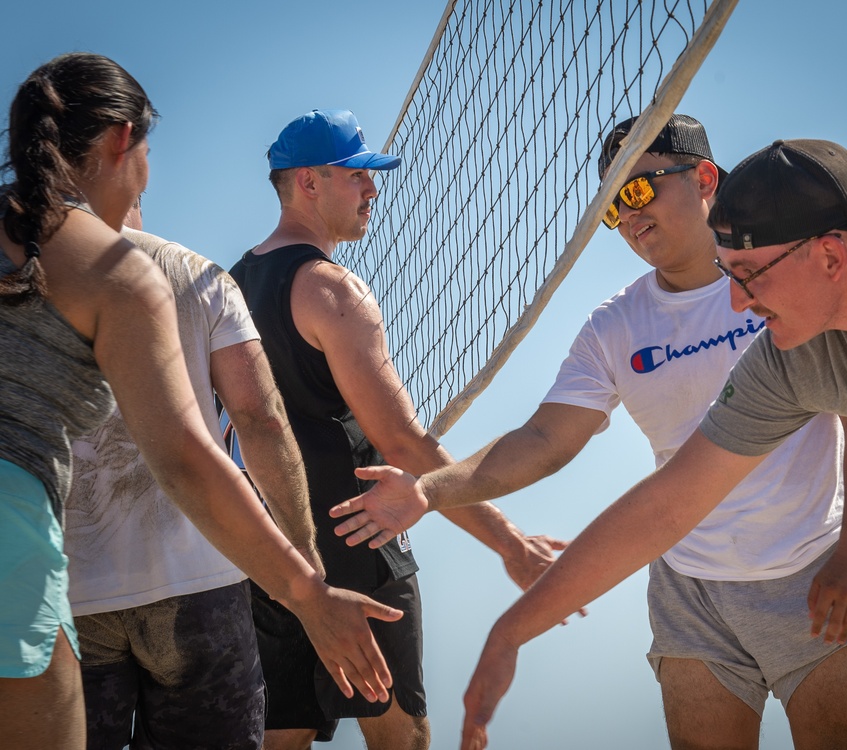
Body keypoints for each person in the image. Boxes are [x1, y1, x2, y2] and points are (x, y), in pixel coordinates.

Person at [331, 115, 847, 748]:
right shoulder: (615, 325)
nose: (627, 215)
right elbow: (543, 440)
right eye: (612, 205)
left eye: (639, 188)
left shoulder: (781, 272)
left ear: (705, 177)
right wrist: (429, 491)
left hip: (812, 568)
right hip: (692, 588)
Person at [433, 133, 847, 749]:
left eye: (750, 274)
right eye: (730, 276)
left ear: (830, 257)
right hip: (697, 591)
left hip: (821, 567)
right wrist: (510, 630)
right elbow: (669, 501)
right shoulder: (785, 362)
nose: (738, 301)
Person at [0, 53, 398, 749]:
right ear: (124, 140)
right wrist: (306, 581)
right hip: (153, 574)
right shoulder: (148, 273)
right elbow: (235, 432)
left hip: (71, 583)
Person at [229, 108, 566, 750]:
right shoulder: (330, 290)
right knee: (402, 741)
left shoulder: (227, 286)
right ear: (308, 182)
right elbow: (405, 445)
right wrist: (513, 544)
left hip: (267, 551)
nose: (372, 191)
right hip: (355, 538)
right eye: (357, 175)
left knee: (281, 739)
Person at [64, 196, 324, 749]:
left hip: (65, 589)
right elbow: (260, 420)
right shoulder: (192, 271)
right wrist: (300, 550)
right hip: (198, 577)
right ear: (124, 151)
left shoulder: (21, 273)